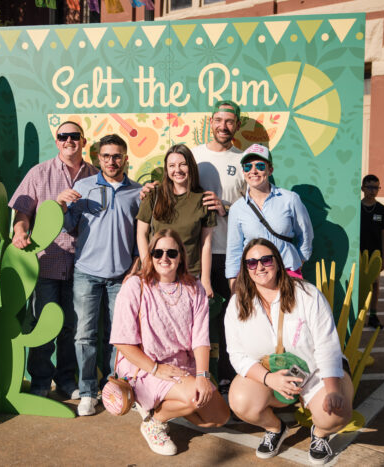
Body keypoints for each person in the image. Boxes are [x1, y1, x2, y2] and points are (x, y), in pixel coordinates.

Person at [225, 238, 352, 464]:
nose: (260, 267)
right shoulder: (237, 304)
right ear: (245, 269)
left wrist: (332, 389)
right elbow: (237, 354)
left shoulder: (307, 294)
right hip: (271, 374)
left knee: (335, 415)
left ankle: (320, 434)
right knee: (241, 402)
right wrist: (268, 379)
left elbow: (327, 344)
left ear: (277, 261)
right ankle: (275, 429)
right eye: (252, 263)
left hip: (315, 372)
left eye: (266, 259)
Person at [110, 229, 230, 456]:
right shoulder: (136, 286)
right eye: (158, 252)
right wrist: (156, 368)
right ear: (151, 255)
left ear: (181, 256)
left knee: (218, 417)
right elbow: (122, 342)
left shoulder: (195, 287)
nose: (164, 258)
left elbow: (201, 338)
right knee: (194, 399)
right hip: (144, 366)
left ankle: (160, 404)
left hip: (181, 366)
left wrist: (203, 376)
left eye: (171, 253)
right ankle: (155, 421)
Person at [9, 121, 98, 399]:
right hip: (47, 263)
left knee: (73, 329)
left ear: (83, 141)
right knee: (43, 325)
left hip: (83, 266)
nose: (68, 140)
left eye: (74, 136)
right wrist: (20, 230)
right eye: (63, 136)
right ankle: (39, 382)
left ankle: (66, 382)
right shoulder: (39, 173)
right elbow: (22, 212)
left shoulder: (96, 175)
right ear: (56, 141)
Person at [56, 134, 142, 416]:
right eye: (106, 156)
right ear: (99, 159)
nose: (111, 161)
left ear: (125, 158)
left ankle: (113, 388)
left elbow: (145, 236)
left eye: (117, 155)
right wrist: (62, 206)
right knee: (84, 335)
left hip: (122, 276)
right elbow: (69, 228)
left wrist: (136, 267)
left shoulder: (137, 193)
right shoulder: (83, 186)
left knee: (118, 338)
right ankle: (89, 392)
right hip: (86, 273)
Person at [192, 99, 247, 391]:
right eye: (218, 120)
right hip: (195, 252)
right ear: (210, 122)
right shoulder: (194, 156)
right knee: (195, 318)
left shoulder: (243, 160)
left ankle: (228, 375)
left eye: (229, 121)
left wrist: (227, 207)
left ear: (237, 125)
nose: (223, 126)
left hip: (229, 252)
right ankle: (194, 374)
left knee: (232, 318)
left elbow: (253, 207)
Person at [226, 144, 313, 289]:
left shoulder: (290, 199)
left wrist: (298, 261)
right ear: (243, 171)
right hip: (254, 276)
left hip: (287, 271)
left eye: (260, 166)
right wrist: (234, 286)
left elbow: (305, 234)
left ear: (270, 169)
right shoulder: (237, 208)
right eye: (248, 167)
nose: (253, 171)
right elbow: (234, 250)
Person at [136, 144, 216, 296]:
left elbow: (206, 244)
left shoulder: (204, 199)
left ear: (190, 166)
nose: (177, 170)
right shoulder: (153, 195)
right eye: (172, 165)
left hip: (189, 275)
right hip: (158, 274)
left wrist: (205, 280)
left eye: (182, 164)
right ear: (166, 170)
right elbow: (141, 233)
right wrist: (147, 266)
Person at [360, 174, 384, 329]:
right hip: (358, 254)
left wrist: (383, 257)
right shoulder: (356, 208)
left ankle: (373, 315)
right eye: (369, 187)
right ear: (362, 188)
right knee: (359, 285)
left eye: (376, 187)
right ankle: (358, 316)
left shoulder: (381, 209)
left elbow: (383, 234)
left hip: (375, 254)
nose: (373, 191)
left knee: (375, 285)